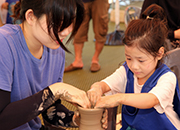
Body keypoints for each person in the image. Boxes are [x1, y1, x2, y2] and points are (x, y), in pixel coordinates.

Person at [0, 0, 108, 129]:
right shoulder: (4, 43)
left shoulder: (56, 50)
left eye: (70, 22)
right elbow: (2, 120)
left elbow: (48, 110)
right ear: (31, 17)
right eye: (59, 23)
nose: (66, 32)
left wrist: (75, 119)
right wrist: (54, 91)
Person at [87, 4, 180, 130]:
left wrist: (119, 98)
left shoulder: (167, 77)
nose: (134, 66)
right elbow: (104, 84)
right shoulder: (126, 71)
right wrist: (96, 88)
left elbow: (151, 100)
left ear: (159, 53)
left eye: (141, 60)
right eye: (128, 58)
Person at [64, 0, 109, 72]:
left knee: (100, 30)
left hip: (100, 2)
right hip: (82, 1)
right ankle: (77, 61)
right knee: (78, 30)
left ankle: (95, 60)